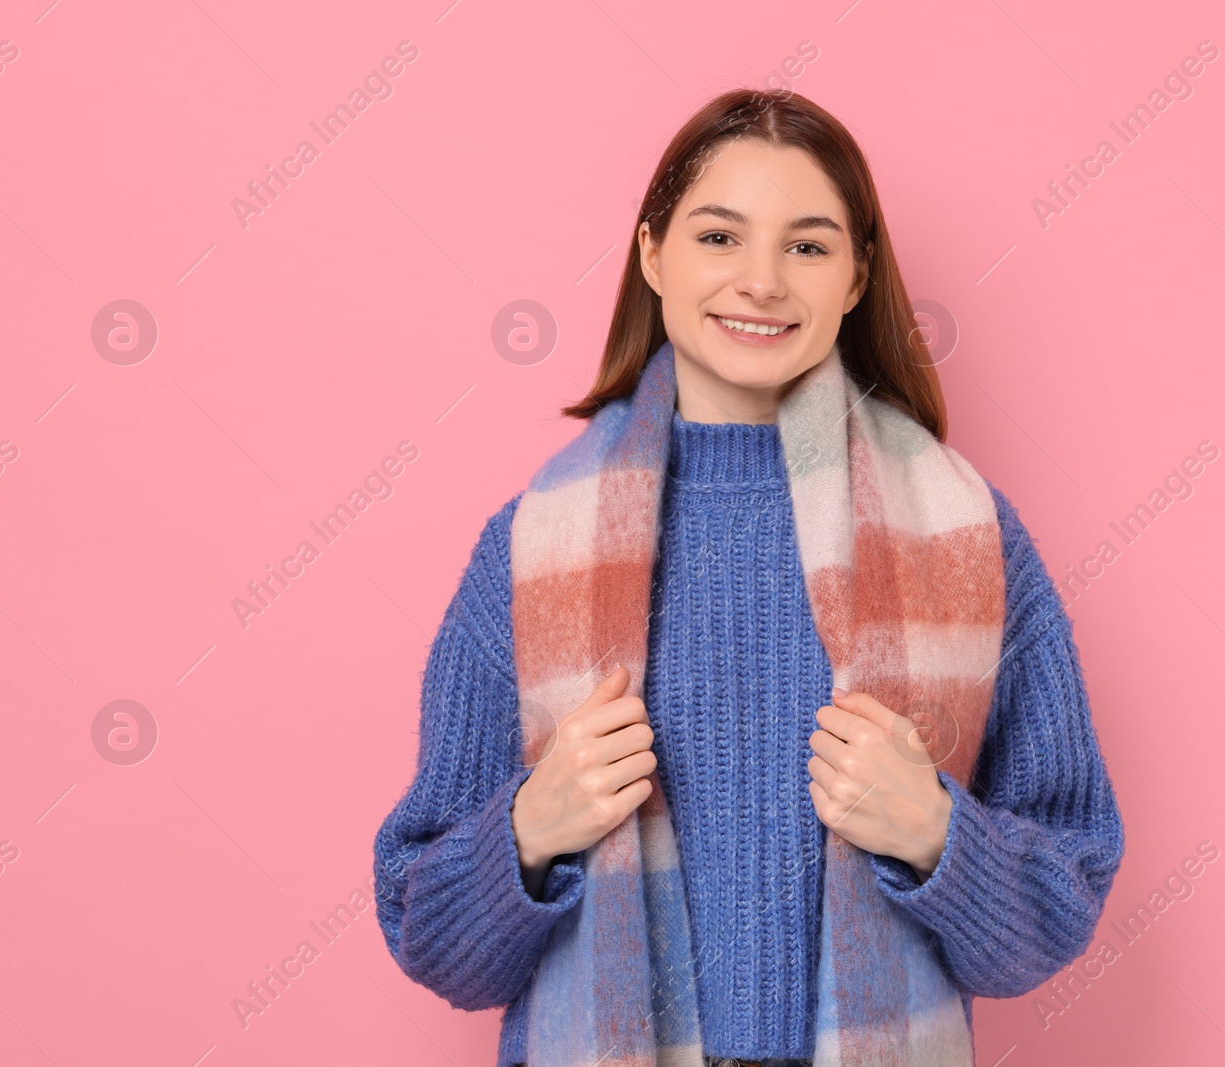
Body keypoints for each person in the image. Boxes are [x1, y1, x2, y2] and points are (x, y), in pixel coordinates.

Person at [372, 87, 1125, 1067]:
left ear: (856, 276)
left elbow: (1061, 897)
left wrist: (938, 832)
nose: (761, 281)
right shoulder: (531, 551)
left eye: (807, 246)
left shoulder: (968, 538)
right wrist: (531, 823)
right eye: (719, 237)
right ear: (652, 255)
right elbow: (427, 933)